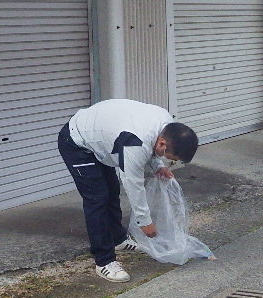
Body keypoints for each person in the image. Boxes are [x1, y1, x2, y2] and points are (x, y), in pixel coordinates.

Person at [58, 100, 198, 282]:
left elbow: (151, 148)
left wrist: (158, 166)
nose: (170, 161)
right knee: (97, 198)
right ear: (163, 143)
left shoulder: (165, 124)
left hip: (102, 141)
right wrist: (144, 221)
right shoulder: (135, 143)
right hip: (77, 142)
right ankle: (104, 261)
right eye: (170, 157)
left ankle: (118, 240)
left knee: (112, 190)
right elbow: (134, 184)